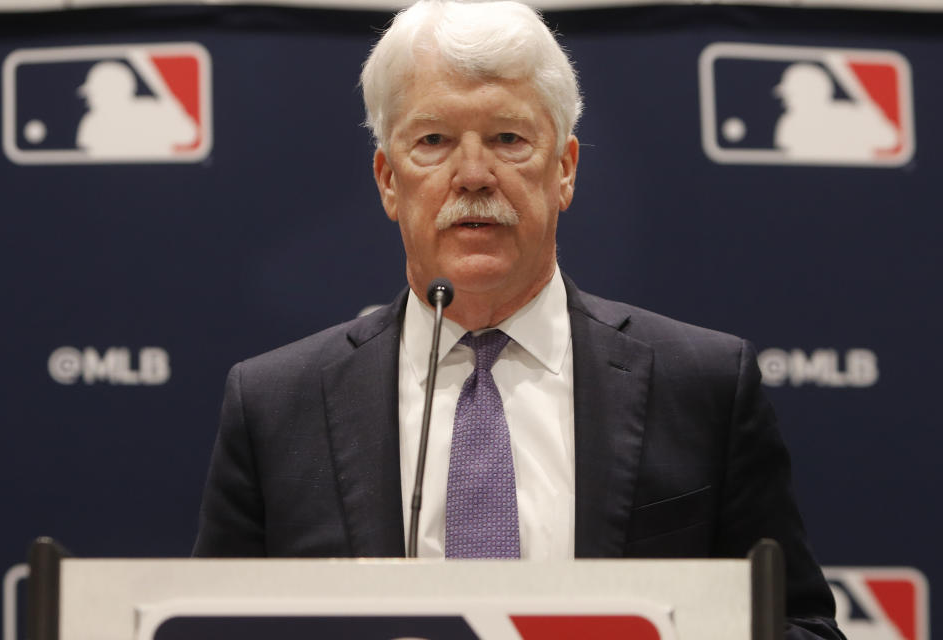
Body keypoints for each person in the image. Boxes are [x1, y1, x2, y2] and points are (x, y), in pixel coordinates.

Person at [194, 2, 843, 637]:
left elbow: (800, 625)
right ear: (388, 180)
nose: (473, 174)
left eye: (508, 139)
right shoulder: (277, 406)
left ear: (564, 169)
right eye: (433, 141)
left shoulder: (702, 385)